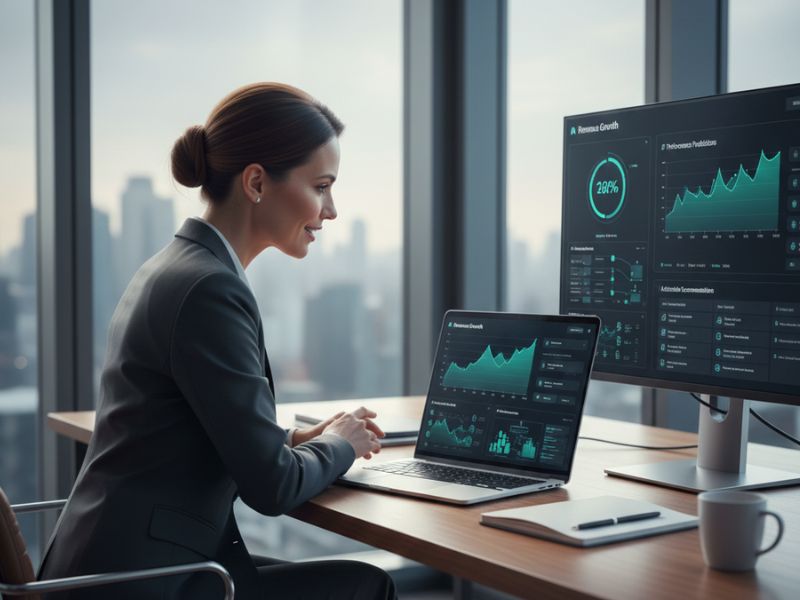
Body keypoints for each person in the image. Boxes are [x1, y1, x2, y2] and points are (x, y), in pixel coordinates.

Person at [38, 82, 397, 600]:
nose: (331, 209)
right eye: (320, 186)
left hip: (120, 562)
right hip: (143, 583)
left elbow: (192, 426)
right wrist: (342, 444)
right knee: (366, 587)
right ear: (256, 182)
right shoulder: (210, 288)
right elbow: (272, 488)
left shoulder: (176, 265)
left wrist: (299, 442)